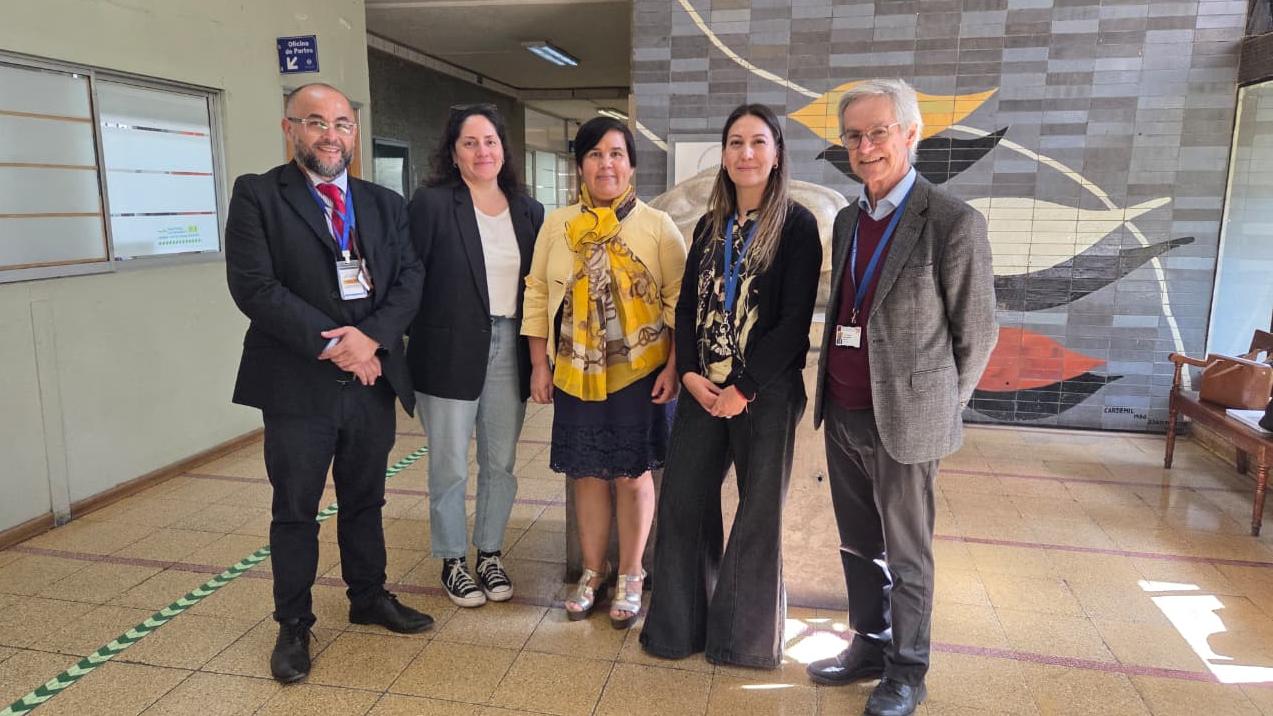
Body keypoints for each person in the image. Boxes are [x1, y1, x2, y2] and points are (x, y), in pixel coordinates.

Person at [225, 82, 433, 684]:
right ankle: (293, 623)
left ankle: (368, 597)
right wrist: (342, 348)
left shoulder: (384, 203)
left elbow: (410, 279)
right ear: (289, 128)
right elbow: (255, 288)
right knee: (296, 508)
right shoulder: (259, 195)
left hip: (371, 379)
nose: (330, 135)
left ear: (355, 133)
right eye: (316, 121)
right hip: (298, 384)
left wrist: (371, 341)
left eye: (342, 123)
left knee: (366, 499)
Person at [806, 79, 997, 716]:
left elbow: (978, 332)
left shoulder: (951, 222)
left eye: (878, 133)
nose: (865, 147)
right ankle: (868, 644)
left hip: (907, 423)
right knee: (859, 544)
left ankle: (908, 671)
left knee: (908, 554)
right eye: (853, 136)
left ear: (911, 134)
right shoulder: (847, 219)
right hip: (842, 410)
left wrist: (939, 409)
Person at [639, 104, 822, 668]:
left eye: (758, 142)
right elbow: (687, 306)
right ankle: (677, 631)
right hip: (702, 390)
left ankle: (741, 643)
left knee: (757, 517)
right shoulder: (709, 225)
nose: (746, 153)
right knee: (683, 506)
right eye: (736, 142)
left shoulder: (796, 226)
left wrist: (742, 387)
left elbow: (793, 322)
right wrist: (689, 373)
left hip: (763, 395)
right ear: (723, 155)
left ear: (777, 154)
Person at [521, 116, 686, 629]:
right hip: (575, 373)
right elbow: (537, 292)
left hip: (642, 374)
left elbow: (681, 304)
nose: (606, 164)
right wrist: (538, 365)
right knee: (587, 473)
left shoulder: (657, 225)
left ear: (632, 165)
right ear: (580, 166)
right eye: (595, 154)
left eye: (616, 153)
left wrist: (675, 368)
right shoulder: (558, 225)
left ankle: (632, 573)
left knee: (633, 475)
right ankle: (594, 571)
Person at [406, 104, 544, 607]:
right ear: (453, 152)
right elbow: (409, 277)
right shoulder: (432, 204)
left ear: (503, 149)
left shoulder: (528, 210)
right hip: (447, 348)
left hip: (511, 345)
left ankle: (489, 553)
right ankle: (452, 560)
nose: (482, 151)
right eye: (470, 142)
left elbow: (539, 287)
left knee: (500, 462)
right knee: (449, 465)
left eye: (490, 141)